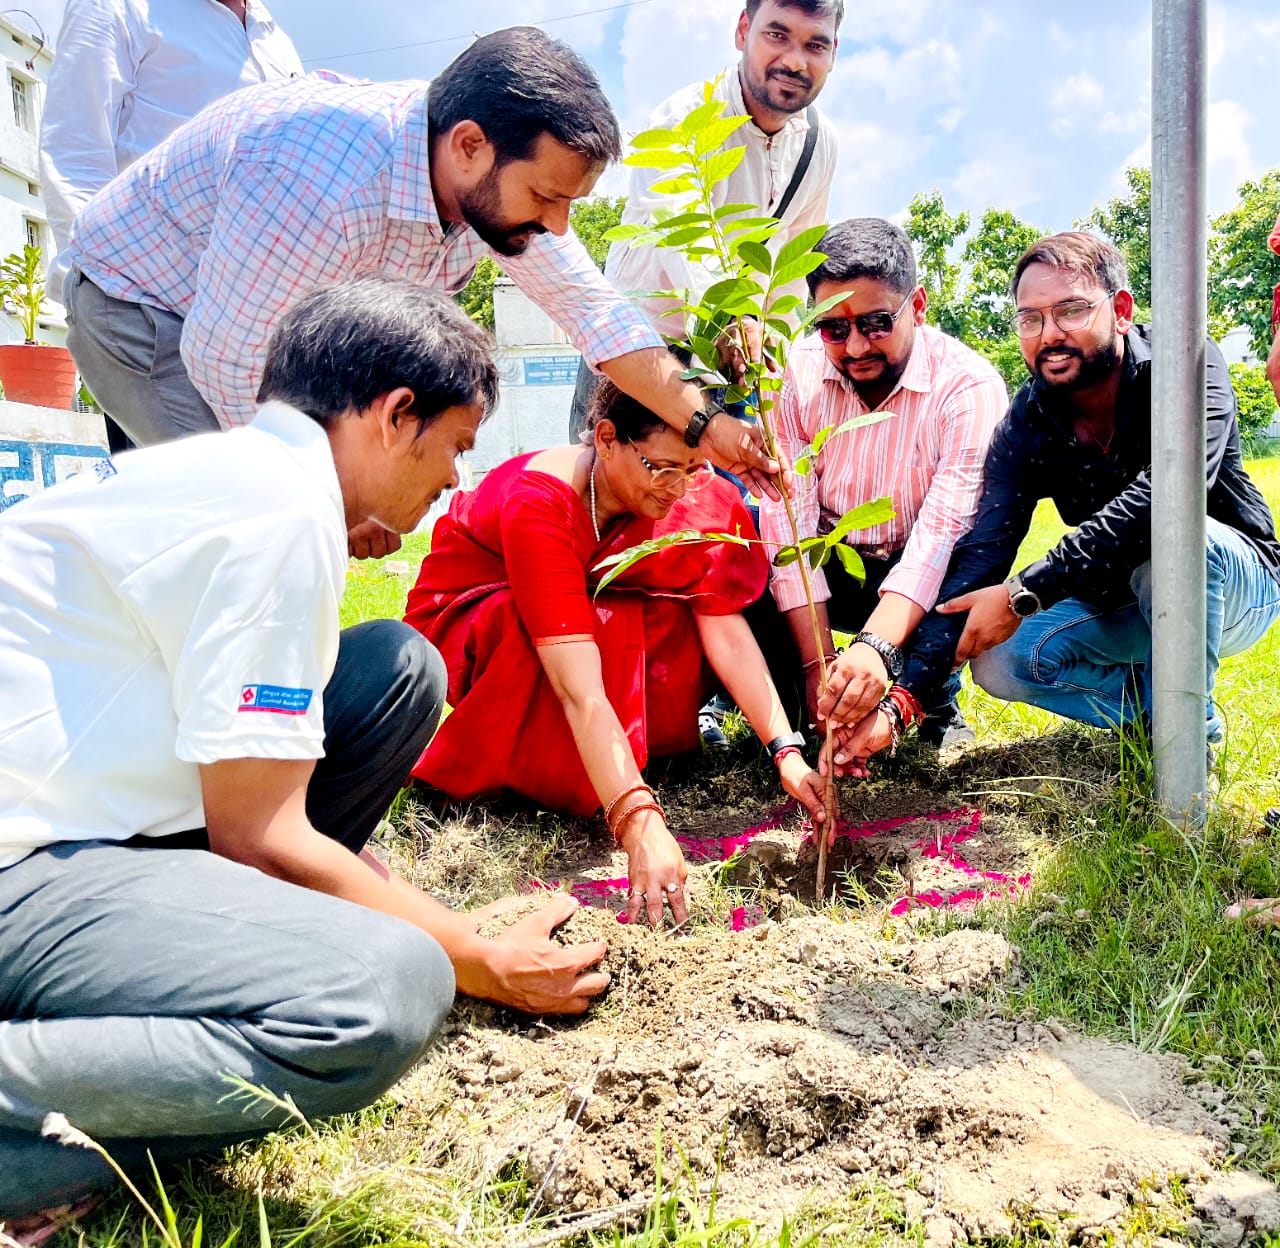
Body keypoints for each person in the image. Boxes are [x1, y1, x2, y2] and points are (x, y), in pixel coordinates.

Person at [0, 278, 610, 1228]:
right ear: (393, 416)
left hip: (85, 807)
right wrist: (473, 954)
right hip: (20, 871)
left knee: (394, 671)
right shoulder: (278, 516)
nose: (454, 477)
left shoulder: (245, 475)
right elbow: (262, 833)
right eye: (453, 446)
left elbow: (256, 768)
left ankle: (213, 965)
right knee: (385, 990)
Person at [61, 25, 782, 559]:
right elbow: (228, 359)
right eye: (545, 196)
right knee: (248, 528)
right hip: (146, 311)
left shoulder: (486, 193)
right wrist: (351, 494)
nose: (560, 224)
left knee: (261, 532)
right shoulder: (324, 175)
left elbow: (596, 313)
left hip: (240, 324)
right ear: (469, 144)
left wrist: (709, 427)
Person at [827, 231, 1280, 775]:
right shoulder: (1028, 423)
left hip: (1233, 584)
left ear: (1121, 311)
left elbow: (1167, 495)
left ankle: (1189, 748)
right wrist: (903, 705)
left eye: (1070, 311)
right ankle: (1158, 714)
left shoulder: (1186, 364)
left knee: (1178, 540)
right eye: (1030, 319)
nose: (1049, 334)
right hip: (1120, 601)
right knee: (1003, 660)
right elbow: (981, 558)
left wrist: (1027, 590)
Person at [404, 379, 830, 928]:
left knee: (649, 611)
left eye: (693, 468)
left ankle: (642, 752)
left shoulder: (689, 492)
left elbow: (722, 627)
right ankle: (526, 774)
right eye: (662, 467)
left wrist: (786, 754)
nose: (679, 489)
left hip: (588, 631)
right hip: (489, 614)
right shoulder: (541, 501)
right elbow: (576, 688)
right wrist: (640, 822)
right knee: (594, 625)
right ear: (606, 439)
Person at [751, 218, 1007, 747]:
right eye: (834, 329)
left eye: (876, 322)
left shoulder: (968, 388)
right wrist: (819, 667)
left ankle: (929, 694)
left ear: (917, 307)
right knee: (749, 548)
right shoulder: (792, 379)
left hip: (921, 572)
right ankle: (791, 698)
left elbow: (937, 541)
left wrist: (875, 650)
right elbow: (789, 526)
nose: (856, 347)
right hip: (831, 561)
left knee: (971, 563)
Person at [567, 0, 843, 441]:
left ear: (833, 53)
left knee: (725, 501)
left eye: (815, 44)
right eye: (777, 35)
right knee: (613, 490)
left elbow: (795, 259)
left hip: (737, 359)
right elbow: (685, 244)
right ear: (742, 32)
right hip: (639, 347)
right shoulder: (686, 123)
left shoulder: (819, 143)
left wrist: (772, 345)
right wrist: (731, 325)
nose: (794, 61)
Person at [40, 0, 302, 305]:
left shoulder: (275, 40)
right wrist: (99, 288)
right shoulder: (117, 6)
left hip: (261, 307)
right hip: (149, 307)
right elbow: (73, 153)